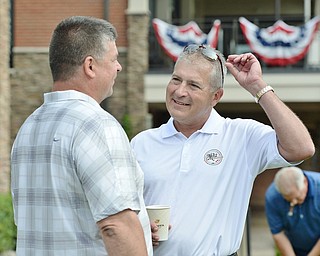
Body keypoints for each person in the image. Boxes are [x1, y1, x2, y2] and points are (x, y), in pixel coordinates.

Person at [130, 44, 315, 255]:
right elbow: (125, 209)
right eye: (176, 79)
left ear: (216, 96)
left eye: (193, 85)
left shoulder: (240, 136)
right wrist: (139, 228)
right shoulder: (141, 143)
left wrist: (257, 86)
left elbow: (301, 148)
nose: (179, 91)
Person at [11, 16, 152, 256]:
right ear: (90, 66)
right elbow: (116, 225)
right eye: (114, 59)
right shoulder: (97, 124)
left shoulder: (29, 128)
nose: (119, 67)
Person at [265, 167, 320, 256]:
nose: (293, 202)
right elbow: (278, 233)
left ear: (305, 183)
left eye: (297, 197)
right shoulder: (272, 197)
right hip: (291, 248)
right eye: (288, 199)